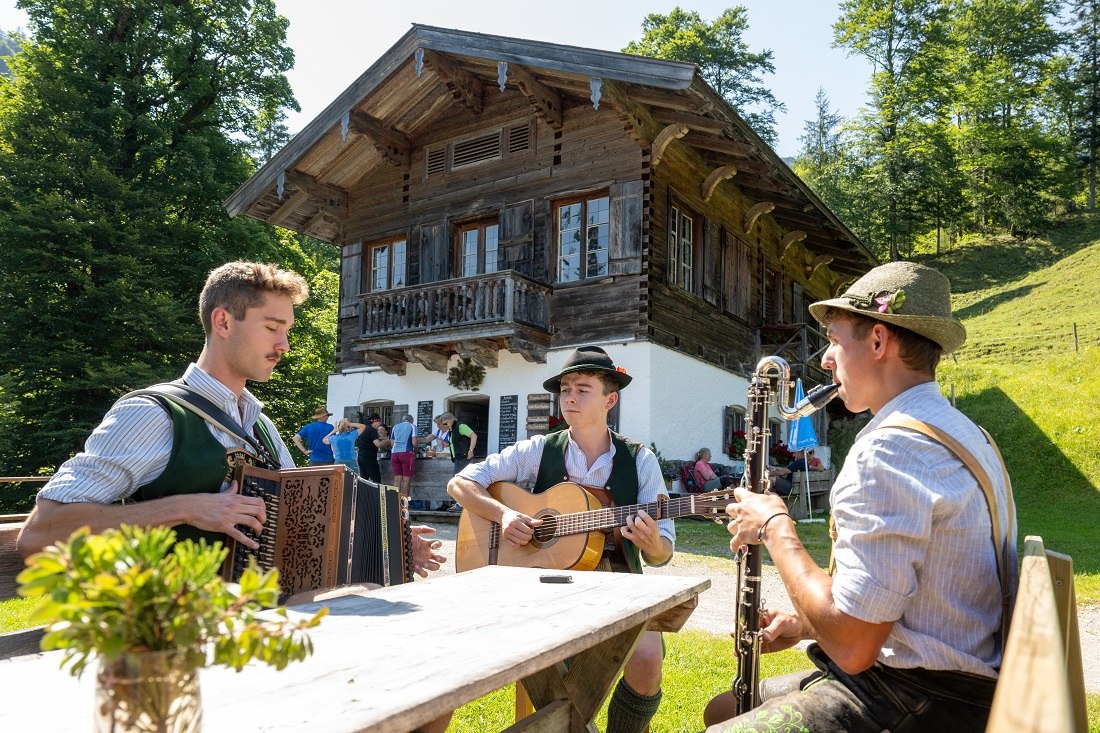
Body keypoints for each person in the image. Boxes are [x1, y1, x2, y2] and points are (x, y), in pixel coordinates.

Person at [704, 261, 1017, 732]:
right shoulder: (967, 434)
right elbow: (908, 598)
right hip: (951, 683)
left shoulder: (889, 449)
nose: (826, 359)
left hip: (920, 698)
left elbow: (851, 647)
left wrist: (774, 525)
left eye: (834, 339)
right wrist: (805, 623)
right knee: (722, 708)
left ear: (877, 341)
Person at [16, 261, 447, 580]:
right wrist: (186, 508)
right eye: (272, 328)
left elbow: (300, 530)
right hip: (178, 641)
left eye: (288, 331)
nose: (285, 345)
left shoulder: (260, 426)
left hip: (264, 625)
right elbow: (41, 536)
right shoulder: (151, 414)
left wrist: (388, 542)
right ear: (223, 321)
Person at [447, 345, 675, 733]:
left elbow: (662, 553)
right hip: (543, 582)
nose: (570, 396)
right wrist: (504, 515)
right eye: (566, 388)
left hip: (617, 581)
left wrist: (652, 543)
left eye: (583, 388)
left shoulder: (639, 459)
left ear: (610, 399)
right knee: (548, 653)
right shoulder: (539, 449)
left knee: (649, 655)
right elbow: (460, 482)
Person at [388, 414, 418, 497]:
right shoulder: (412, 426)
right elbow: (414, 442)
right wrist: (415, 450)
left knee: (397, 479)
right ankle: (404, 503)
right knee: (406, 480)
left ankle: (395, 502)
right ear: (411, 420)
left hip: (394, 454)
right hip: (406, 453)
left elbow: (392, 443)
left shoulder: (395, 426)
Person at [356, 414, 389, 483]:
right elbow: (378, 444)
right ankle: (377, 494)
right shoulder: (372, 430)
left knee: (363, 480)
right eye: (379, 422)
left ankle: (362, 493)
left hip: (360, 457)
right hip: (369, 458)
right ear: (375, 421)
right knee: (376, 480)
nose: (379, 424)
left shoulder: (363, 429)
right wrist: (388, 441)